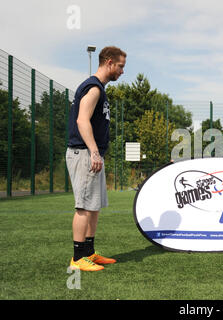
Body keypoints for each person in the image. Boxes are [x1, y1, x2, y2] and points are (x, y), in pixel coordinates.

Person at [66, 46, 126, 271]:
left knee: (94, 206)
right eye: (120, 66)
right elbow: (82, 121)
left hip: (93, 154)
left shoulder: (100, 88)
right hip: (83, 153)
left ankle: (89, 252)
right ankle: (77, 257)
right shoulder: (93, 88)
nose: (121, 71)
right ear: (109, 62)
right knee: (83, 206)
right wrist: (93, 151)